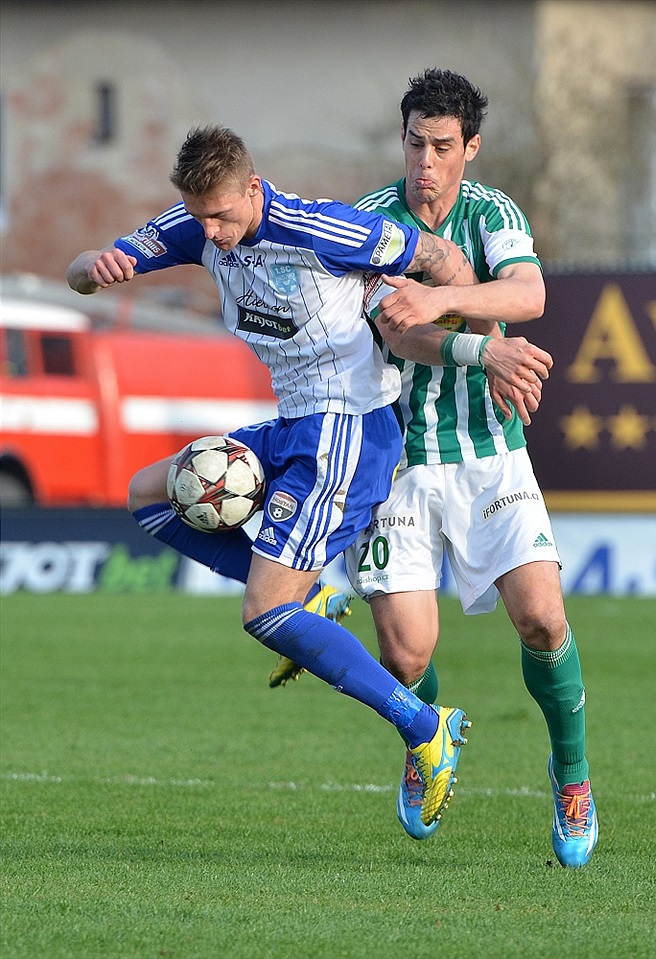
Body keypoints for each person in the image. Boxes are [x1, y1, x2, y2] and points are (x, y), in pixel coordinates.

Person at [66, 123, 552, 831]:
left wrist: (476, 333)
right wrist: (99, 265)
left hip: (351, 430)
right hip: (295, 422)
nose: (214, 232)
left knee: (264, 611)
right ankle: (319, 598)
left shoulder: (325, 228)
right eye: (201, 216)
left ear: (254, 189)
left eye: (225, 215)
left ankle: (424, 725)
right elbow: (81, 271)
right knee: (150, 494)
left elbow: (439, 255)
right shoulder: (193, 225)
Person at [272, 70, 598, 869]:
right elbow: (398, 327)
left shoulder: (494, 214)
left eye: (442, 146)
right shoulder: (371, 223)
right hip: (400, 456)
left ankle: (574, 775)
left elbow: (529, 293)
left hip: (491, 454)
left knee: (544, 620)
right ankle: (426, 746)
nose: (425, 160)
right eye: (415, 142)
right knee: (407, 655)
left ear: (469, 149)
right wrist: (482, 344)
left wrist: (459, 298)